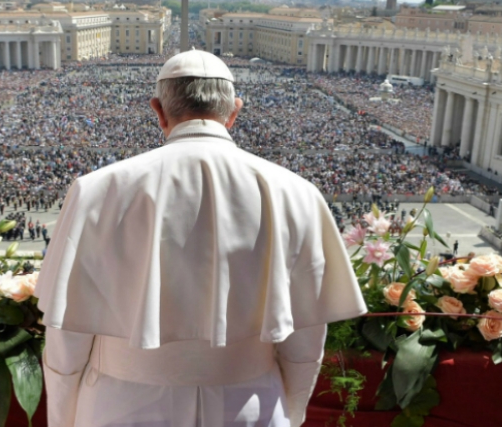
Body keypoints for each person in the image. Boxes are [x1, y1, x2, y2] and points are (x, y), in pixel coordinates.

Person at [36, 50, 367, 427]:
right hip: (251, 404)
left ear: (158, 110)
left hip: (122, 404)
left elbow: (67, 339)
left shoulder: (96, 190)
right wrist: (289, 411)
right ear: (234, 112)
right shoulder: (297, 192)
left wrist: (62, 417)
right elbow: (305, 342)